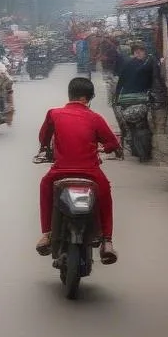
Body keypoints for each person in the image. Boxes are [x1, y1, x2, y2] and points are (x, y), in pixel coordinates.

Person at [36, 76, 120, 264]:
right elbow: (112, 143)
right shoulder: (95, 118)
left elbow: (43, 138)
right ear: (89, 98)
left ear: (69, 95)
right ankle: (107, 241)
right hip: (90, 173)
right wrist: (103, 148)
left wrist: (45, 149)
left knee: (44, 186)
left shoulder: (54, 114)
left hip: (60, 172)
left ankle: (47, 234)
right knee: (105, 193)